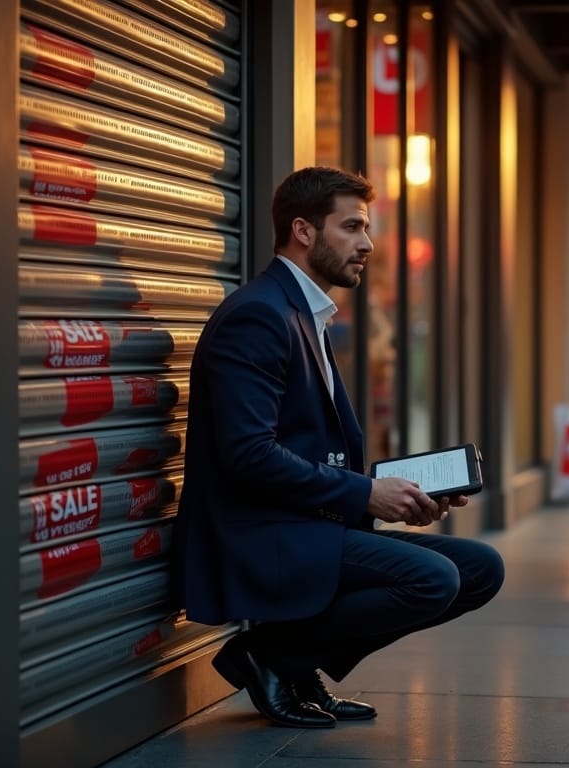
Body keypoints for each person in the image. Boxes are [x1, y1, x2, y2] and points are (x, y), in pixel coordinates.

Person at [172, 167, 505, 729]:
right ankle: (271, 657)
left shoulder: (304, 313)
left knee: (481, 568)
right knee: (434, 578)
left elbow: (305, 448)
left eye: (366, 228)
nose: (367, 243)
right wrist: (366, 494)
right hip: (256, 533)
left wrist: (398, 492)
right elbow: (248, 455)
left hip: (303, 523)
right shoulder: (259, 315)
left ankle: (296, 665)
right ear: (303, 231)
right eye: (351, 227)